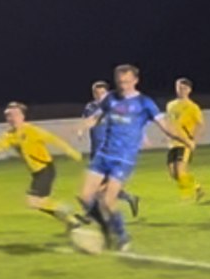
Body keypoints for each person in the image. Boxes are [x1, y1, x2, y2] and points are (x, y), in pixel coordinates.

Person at [75, 64, 192, 250]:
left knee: (108, 201)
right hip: (103, 154)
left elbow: (166, 126)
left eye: (127, 82)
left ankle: (122, 236)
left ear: (136, 81)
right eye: (120, 82)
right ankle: (106, 228)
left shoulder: (145, 103)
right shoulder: (110, 98)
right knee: (84, 197)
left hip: (124, 158)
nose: (123, 86)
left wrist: (185, 140)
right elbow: (96, 117)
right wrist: (82, 126)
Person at [0, 102, 83, 227]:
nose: (11, 118)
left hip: (45, 169)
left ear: (22, 116)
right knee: (42, 203)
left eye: (15, 114)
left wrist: (72, 152)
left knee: (33, 202)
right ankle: (71, 221)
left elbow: (53, 139)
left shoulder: (32, 130)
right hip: (36, 173)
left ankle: (67, 211)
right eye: (8, 115)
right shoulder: (9, 135)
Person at [83, 80, 139, 216]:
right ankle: (129, 198)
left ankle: (91, 215)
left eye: (102, 93)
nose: (99, 95)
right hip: (95, 150)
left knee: (97, 186)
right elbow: (87, 121)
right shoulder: (90, 107)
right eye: (96, 93)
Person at [165, 77, 206, 201]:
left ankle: (187, 196)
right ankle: (197, 188)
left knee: (180, 170)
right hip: (172, 143)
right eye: (179, 88)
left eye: (184, 88)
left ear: (189, 90)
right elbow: (170, 122)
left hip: (184, 142)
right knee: (173, 174)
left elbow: (200, 124)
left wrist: (193, 140)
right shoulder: (170, 105)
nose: (181, 90)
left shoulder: (192, 107)